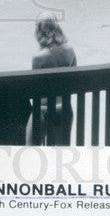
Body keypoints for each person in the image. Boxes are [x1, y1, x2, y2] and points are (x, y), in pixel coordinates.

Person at [27, 13, 77, 145]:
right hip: (65, 109)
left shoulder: (38, 57)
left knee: (29, 152)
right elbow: (74, 80)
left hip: (43, 109)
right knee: (62, 155)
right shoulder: (70, 50)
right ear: (57, 28)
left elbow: (34, 89)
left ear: (39, 31)